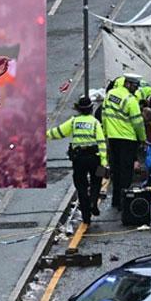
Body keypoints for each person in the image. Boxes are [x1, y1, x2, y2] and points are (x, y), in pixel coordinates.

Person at [48, 96, 108, 225]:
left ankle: (86, 215)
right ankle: (93, 202)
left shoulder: (74, 122)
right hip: (95, 158)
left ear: (79, 110)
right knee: (97, 181)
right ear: (92, 109)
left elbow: (58, 132)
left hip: (79, 159)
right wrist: (104, 162)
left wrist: (44, 134)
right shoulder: (95, 122)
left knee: (81, 185)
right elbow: (102, 142)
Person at [102, 74, 147, 211]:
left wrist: (106, 133)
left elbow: (104, 115)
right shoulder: (130, 100)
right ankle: (124, 201)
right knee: (126, 172)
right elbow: (138, 123)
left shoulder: (110, 95)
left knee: (116, 169)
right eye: (134, 86)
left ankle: (116, 200)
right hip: (128, 139)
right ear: (127, 84)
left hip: (113, 138)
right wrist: (143, 139)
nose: (136, 89)